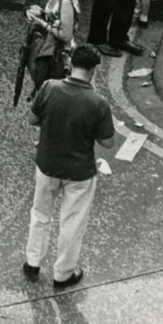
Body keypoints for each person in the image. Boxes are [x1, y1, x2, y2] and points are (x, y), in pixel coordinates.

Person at [22, 44, 116, 291]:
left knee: (40, 213)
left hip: (47, 163)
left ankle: (32, 262)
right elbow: (108, 142)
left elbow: (33, 119)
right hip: (79, 172)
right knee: (72, 223)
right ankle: (63, 274)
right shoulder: (98, 103)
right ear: (93, 70)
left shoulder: (49, 88)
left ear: (70, 63)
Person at [25, 0, 79, 88]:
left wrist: (42, 23)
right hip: (52, 50)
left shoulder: (66, 1)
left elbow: (66, 35)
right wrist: (42, 13)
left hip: (59, 57)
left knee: (51, 90)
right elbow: (56, 18)